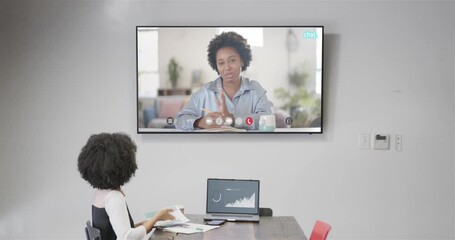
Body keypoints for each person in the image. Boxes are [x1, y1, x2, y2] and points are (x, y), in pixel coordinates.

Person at [77, 132, 174, 240]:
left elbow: (115, 231)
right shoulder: (114, 197)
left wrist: (148, 224)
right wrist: (157, 217)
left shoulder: (101, 194)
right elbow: (126, 237)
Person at [175, 31, 273, 131]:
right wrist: (200, 122)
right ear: (216, 66)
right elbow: (179, 120)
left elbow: (268, 118)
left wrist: (232, 119)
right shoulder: (205, 92)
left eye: (232, 60)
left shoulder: (254, 90)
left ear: (242, 61)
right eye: (221, 63)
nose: (227, 67)